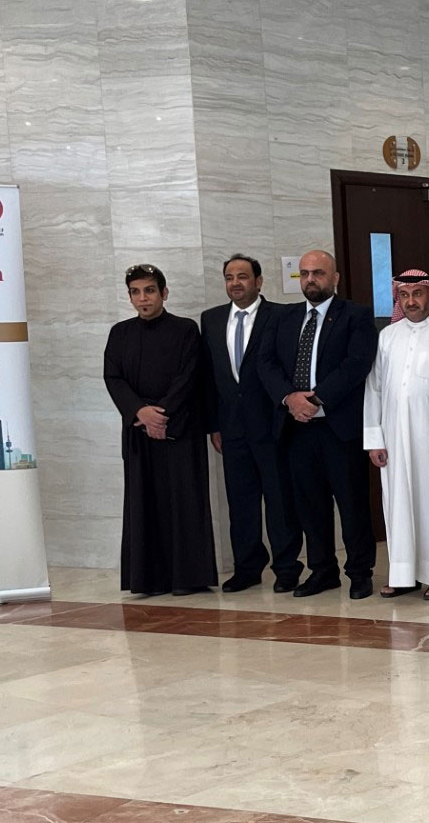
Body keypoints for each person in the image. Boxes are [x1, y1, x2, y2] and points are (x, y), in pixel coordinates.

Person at [255, 249, 379, 599]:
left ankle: (359, 572)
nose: (310, 279)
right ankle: (322, 571)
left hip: (338, 428)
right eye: (305, 274)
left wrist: (316, 398)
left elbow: (357, 364)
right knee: (309, 505)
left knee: (352, 503)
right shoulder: (284, 317)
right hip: (296, 428)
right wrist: (289, 398)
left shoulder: (355, 315)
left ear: (335, 278)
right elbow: (266, 363)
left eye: (318, 273)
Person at [104, 263, 218, 597]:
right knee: (144, 503)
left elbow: (189, 378)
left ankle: (188, 578)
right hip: (139, 432)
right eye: (136, 292)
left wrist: (161, 416)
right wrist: (140, 412)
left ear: (164, 293)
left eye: (150, 290)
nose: (143, 298)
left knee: (184, 502)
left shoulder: (185, 330)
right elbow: (113, 378)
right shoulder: (120, 333)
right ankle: (147, 579)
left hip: (179, 431)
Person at [200, 253, 300, 593]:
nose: (235, 283)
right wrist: (214, 425)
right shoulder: (211, 319)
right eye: (229, 277)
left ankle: (286, 567)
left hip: (272, 425)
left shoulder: (281, 315)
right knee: (240, 502)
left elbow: (286, 367)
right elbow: (210, 378)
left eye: (243, 276)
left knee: (279, 500)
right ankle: (247, 567)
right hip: (231, 429)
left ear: (258, 281)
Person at [364, 270, 429, 600]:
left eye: (417, 293)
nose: (410, 301)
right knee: (397, 505)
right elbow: (375, 388)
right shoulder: (387, 337)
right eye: (404, 294)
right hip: (393, 440)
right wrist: (374, 439)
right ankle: (403, 574)